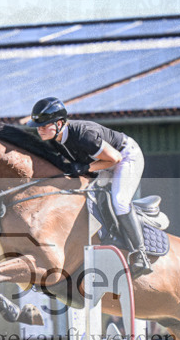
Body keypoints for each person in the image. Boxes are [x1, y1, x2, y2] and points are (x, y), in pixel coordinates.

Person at [27, 96, 151, 277]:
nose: (40, 130)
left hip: (125, 157)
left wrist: (86, 168)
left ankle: (141, 254)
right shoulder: (56, 139)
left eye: (45, 126)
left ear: (60, 123)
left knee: (120, 201)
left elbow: (115, 158)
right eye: (38, 127)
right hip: (104, 161)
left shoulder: (84, 134)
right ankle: (112, 238)